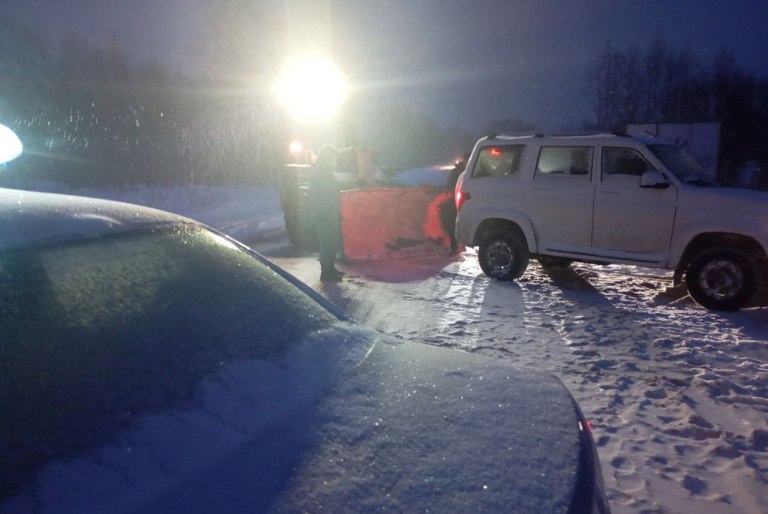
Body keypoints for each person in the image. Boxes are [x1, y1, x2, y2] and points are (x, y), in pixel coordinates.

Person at [307, 145, 344, 281]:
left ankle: (330, 269)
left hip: (329, 213)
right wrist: (327, 212)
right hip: (325, 214)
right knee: (326, 243)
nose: (335, 160)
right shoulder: (321, 173)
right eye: (333, 157)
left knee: (330, 243)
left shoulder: (326, 172)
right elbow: (322, 196)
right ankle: (326, 272)